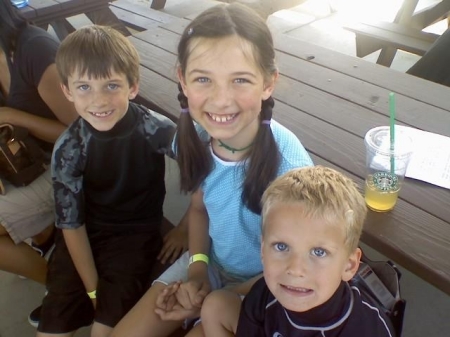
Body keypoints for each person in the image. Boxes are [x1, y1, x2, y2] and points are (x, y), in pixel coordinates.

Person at [111, 3, 313, 337]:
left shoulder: (290, 172)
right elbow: (199, 208)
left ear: (268, 83)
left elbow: (296, 268)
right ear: (182, 79)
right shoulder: (198, 137)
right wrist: (197, 271)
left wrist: (214, 299)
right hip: (212, 263)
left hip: (268, 285)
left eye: (240, 80)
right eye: (203, 79)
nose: (221, 101)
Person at [36, 25, 181, 337]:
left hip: (134, 236)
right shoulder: (70, 147)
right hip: (84, 236)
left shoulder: (154, 128)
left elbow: (208, 169)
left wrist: (186, 228)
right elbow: (71, 226)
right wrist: (92, 290)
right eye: (84, 87)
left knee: (103, 332)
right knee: (51, 329)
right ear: (67, 91)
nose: (99, 100)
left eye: (111, 85)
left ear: (132, 86)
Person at [233, 166, 396, 336]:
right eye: (281, 246)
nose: (295, 269)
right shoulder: (260, 300)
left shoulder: (370, 330)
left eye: (319, 252)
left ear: (349, 265)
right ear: (263, 250)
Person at [0, 0, 77, 292]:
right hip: (22, 166)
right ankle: (46, 241)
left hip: (66, 164)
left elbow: (80, 134)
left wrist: (12, 116)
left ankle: (65, 293)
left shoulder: (35, 49)